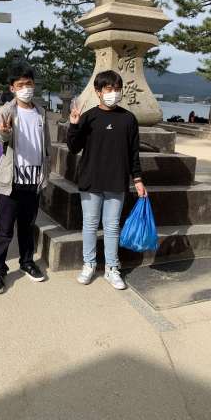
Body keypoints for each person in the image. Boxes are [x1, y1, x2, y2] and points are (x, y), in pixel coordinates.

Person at [67, 70, 147, 290]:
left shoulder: (128, 119)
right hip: (91, 179)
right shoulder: (88, 117)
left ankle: (112, 268)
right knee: (90, 224)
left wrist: (137, 179)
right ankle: (89, 264)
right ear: (98, 92)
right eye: (109, 89)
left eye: (117, 89)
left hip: (116, 180)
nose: (114, 93)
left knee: (112, 226)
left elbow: (133, 152)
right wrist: (74, 124)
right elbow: (73, 147)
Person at [0, 60, 51, 294]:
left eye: (29, 83)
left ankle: (27, 261)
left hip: (34, 179)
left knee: (27, 225)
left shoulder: (41, 112)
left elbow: (46, 144)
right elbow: (0, 136)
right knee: (5, 228)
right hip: (11, 180)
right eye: (21, 85)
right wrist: (4, 132)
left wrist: (46, 172)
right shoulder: (6, 111)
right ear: (12, 88)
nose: (26, 88)